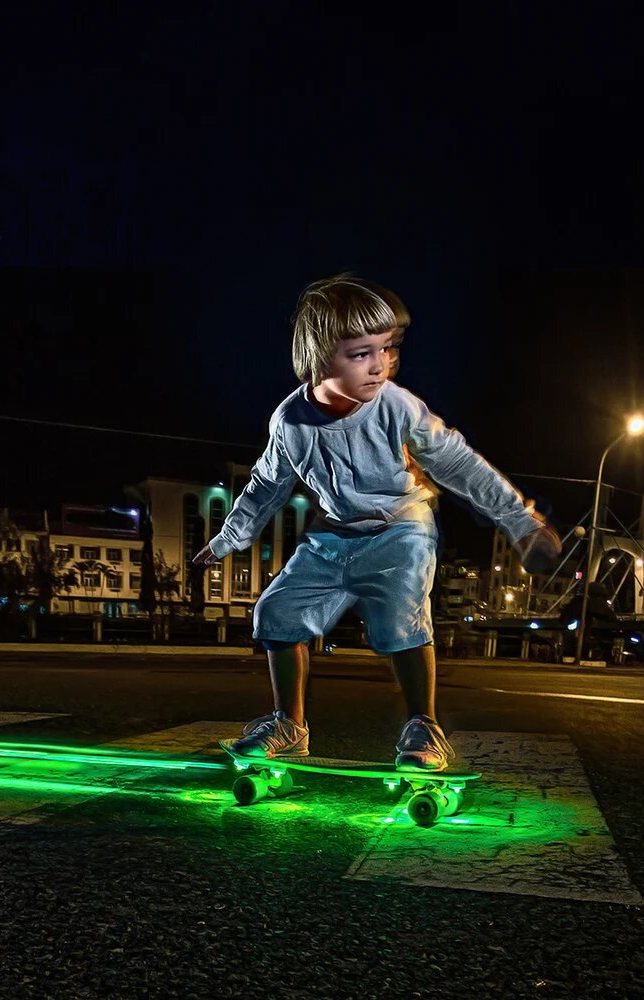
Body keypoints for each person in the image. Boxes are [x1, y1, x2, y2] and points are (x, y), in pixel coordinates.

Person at [192, 274, 560, 770]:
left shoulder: (397, 406)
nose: (380, 365)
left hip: (402, 527)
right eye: (361, 353)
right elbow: (266, 485)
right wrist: (227, 538)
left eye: (388, 348)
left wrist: (519, 521)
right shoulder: (290, 423)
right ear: (320, 356)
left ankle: (424, 726)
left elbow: (457, 462)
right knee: (277, 612)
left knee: (399, 617)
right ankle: (289, 725)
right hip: (335, 534)